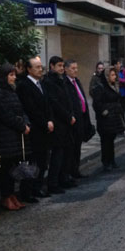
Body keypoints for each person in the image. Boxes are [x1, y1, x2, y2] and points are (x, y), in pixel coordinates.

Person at [0, 64, 33, 209]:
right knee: (6, 169)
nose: (14, 78)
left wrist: (26, 124)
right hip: (4, 137)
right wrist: (21, 125)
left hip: (16, 137)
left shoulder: (12, 91)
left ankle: (12, 195)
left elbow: (20, 110)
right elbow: (4, 114)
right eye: (11, 75)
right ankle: (6, 196)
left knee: (13, 167)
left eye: (14, 75)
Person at [16, 56, 53, 198]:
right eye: (37, 67)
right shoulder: (24, 85)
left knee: (43, 161)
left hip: (45, 129)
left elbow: (47, 104)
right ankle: (28, 191)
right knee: (34, 162)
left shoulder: (41, 83)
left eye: (41, 67)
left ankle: (38, 187)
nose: (40, 69)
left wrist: (50, 119)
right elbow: (31, 109)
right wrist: (45, 122)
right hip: (34, 130)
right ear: (29, 69)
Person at [43, 56, 76, 193]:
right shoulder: (49, 81)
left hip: (66, 122)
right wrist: (68, 116)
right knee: (57, 155)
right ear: (52, 66)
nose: (62, 68)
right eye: (59, 66)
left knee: (65, 153)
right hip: (58, 123)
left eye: (63, 66)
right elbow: (55, 103)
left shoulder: (60, 80)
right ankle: (53, 183)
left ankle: (64, 178)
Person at [92, 67, 125, 170]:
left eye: (115, 75)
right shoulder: (100, 87)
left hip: (114, 117)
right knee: (105, 141)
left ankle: (112, 160)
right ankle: (106, 162)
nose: (114, 77)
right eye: (112, 75)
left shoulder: (114, 86)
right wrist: (104, 111)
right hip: (105, 119)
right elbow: (97, 103)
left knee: (111, 140)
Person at [64, 59, 93, 179]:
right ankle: (70, 172)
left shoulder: (77, 81)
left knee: (78, 147)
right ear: (66, 69)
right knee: (71, 148)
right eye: (73, 68)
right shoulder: (65, 83)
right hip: (73, 119)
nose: (76, 70)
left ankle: (76, 170)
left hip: (81, 118)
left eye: (76, 68)